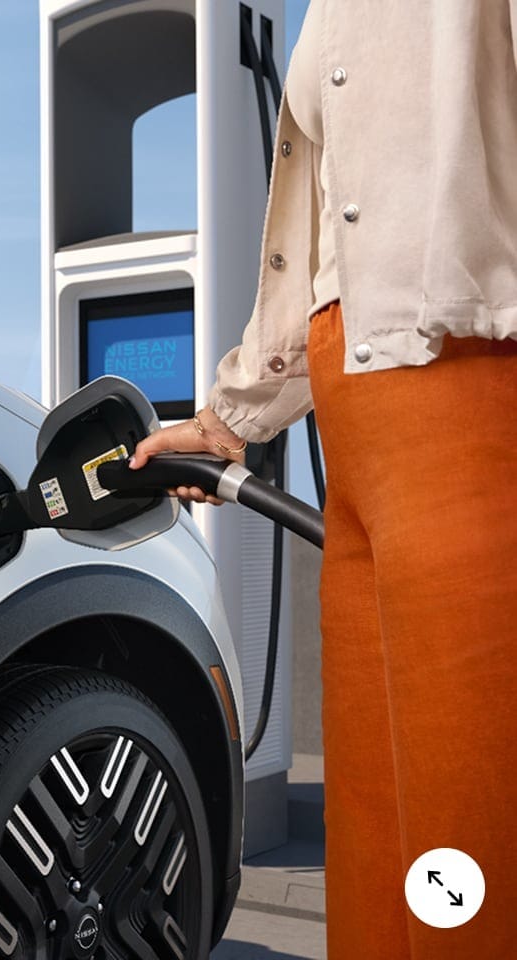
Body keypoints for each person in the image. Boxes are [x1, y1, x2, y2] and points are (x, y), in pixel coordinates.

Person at [127, 1, 517, 957]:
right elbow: (315, 252)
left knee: (471, 842)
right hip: (359, 439)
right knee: (383, 840)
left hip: (471, 393)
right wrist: (228, 419)